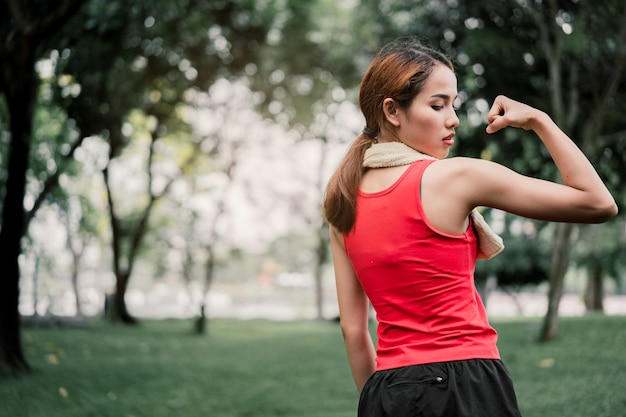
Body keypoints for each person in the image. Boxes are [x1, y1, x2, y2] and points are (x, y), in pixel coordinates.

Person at [323, 37, 618, 417]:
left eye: (453, 105)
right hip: (466, 381)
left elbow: (353, 331)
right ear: (392, 110)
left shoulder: (341, 204)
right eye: (437, 104)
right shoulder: (456, 176)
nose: (453, 119)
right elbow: (598, 202)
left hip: (386, 388)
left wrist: (382, 401)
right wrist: (539, 121)